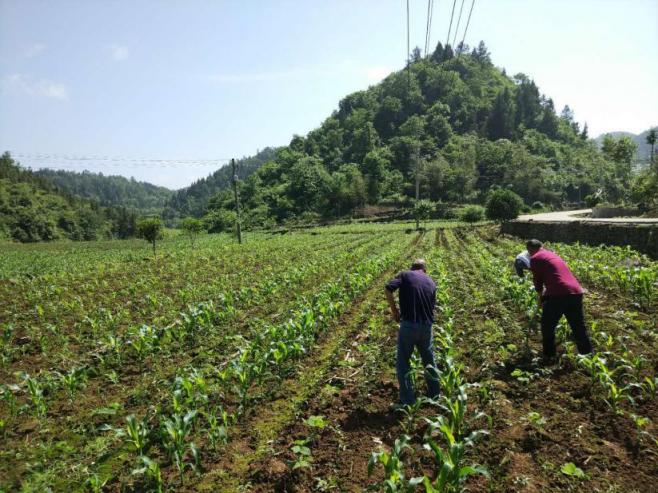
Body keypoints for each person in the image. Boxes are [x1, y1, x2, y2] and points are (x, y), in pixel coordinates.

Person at [385, 258, 440, 407]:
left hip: (409, 325)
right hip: (427, 327)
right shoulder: (431, 282)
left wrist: (394, 310)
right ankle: (435, 395)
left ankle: (408, 401)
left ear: (412, 268)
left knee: (403, 362)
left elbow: (388, 288)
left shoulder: (405, 274)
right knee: (429, 361)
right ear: (424, 270)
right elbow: (432, 306)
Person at [526, 239, 593, 360]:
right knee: (578, 325)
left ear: (529, 250)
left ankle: (549, 355)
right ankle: (587, 355)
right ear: (542, 246)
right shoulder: (553, 255)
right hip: (576, 291)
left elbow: (538, 282)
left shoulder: (535, 258)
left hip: (558, 294)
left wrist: (540, 299)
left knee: (547, 325)